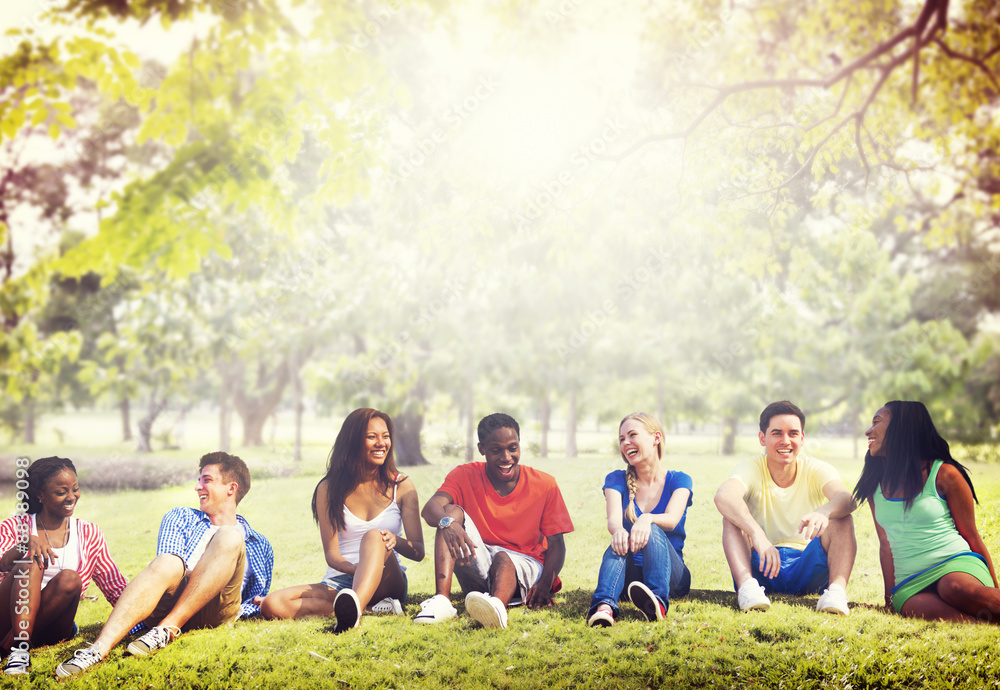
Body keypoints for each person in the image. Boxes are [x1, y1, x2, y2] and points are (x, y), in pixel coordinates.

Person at [55, 452, 272, 678]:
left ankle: (167, 629)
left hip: (216, 611)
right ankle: (96, 650)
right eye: (198, 480)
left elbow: (254, 599)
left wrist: (246, 608)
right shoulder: (181, 517)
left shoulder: (259, 544)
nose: (198, 487)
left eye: (206, 480)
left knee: (229, 536)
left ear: (231, 488)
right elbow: (166, 570)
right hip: (169, 603)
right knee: (170, 560)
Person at [258, 408, 424, 631]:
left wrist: (395, 540)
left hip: (387, 580)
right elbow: (332, 555)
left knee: (374, 536)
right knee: (272, 604)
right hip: (341, 580)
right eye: (371, 437)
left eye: (385, 436)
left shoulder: (401, 486)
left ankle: (354, 612)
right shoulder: (328, 489)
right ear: (353, 441)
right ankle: (364, 608)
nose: (381, 443)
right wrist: (361, 570)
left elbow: (419, 551)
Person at [415, 413, 574, 628]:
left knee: (503, 557)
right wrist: (448, 524)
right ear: (482, 449)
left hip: (525, 563)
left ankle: (496, 608)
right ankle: (442, 601)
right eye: (497, 450)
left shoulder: (545, 484)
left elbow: (557, 545)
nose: (506, 457)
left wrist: (545, 585)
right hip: (480, 561)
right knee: (449, 511)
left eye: (513, 448)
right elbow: (430, 509)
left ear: (519, 445)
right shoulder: (464, 475)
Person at [855, 401, 1000, 622]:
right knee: (931, 611)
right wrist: (889, 600)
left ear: (901, 428)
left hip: (956, 565)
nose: (868, 430)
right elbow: (886, 544)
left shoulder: (944, 474)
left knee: (952, 587)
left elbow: (971, 535)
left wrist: (993, 587)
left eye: (877, 422)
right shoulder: (874, 483)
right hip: (910, 583)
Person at [714, 400, 857, 615]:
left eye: (793, 433)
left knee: (842, 518)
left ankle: (835, 593)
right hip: (763, 565)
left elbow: (847, 499)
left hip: (807, 565)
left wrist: (825, 511)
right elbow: (724, 496)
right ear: (762, 438)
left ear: (802, 437)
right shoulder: (752, 468)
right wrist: (757, 535)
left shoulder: (816, 468)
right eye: (777, 433)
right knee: (732, 518)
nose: (786, 441)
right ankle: (747, 589)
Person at [0, 457, 127, 676]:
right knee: (31, 557)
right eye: (61, 492)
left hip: (54, 626)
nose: (71, 497)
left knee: (70, 578)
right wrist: (23, 546)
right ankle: (19, 650)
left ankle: (10, 646)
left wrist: (150, 615)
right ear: (40, 494)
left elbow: (115, 587)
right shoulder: (16, 526)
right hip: (7, 615)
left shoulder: (89, 533)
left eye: (75, 489)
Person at [586, 413, 692, 627]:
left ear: (656, 438)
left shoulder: (680, 479)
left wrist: (647, 519)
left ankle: (657, 602)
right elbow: (614, 521)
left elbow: (671, 520)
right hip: (630, 578)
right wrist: (618, 531)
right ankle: (604, 607)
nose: (626, 443)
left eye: (632, 435)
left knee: (650, 526)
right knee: (619, 539)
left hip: (673, 577)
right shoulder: (616, 479)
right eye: (622, 439)